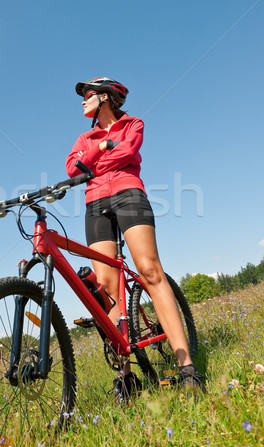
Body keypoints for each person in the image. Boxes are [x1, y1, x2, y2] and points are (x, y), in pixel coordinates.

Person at [65, 76, 204, 399]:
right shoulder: (85, 136)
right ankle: (127, 378)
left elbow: (127, 152)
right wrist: (101, 147)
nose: (82, 101)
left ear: (106, 98)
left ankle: (186, 366)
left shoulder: (133, 123)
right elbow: (74, 169)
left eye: (88, 95)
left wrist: (95, 160)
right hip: (94, 203)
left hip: (129, 194)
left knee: (150, 271)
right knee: (108, 289)